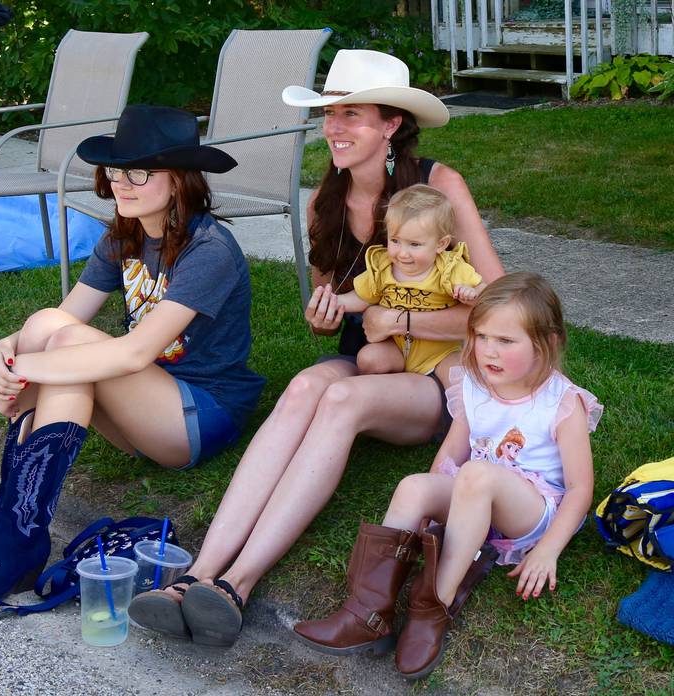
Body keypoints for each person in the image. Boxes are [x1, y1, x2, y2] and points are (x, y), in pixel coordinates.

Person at [129, 49, 504, 648]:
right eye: (330, 113)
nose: (333, 127)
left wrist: (394, 315)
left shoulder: (439, 189)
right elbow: (337, 306)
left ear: (391, 125)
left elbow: (502, 315)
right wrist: (324, 315)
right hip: (367, 358)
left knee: (341, 403)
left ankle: (238, 585)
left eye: (351, 114)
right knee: (305, 386)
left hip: (435, 377)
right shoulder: (324, 199)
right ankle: (199, 575)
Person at [0, 104, 265, 601]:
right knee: (47, 325)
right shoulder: (124, 235)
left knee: (64, 346)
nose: (122, 183)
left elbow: (133, 354)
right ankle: (11, 522)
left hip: (198, 415)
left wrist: (26, 368)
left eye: (140, 172)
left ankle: (15, 532)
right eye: (117, 170)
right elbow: (63, 316)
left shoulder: (208, 248)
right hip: (141, 411)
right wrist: (3, 350)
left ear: (182, 179)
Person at [294, 272, 603, 680]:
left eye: (506, 341)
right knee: (414, 486)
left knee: (477, 474)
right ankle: (366, 611)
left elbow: (581, 489)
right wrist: (432, 504)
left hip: (528, 510)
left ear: (547, 343)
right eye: (481, 336)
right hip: (473, 492)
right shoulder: (473, 383)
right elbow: (450, 455)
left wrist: (549, 550)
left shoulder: (562, 402)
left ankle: (433, 605)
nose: (488, 351)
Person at [333, 184, 485, 376]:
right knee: (368, 358)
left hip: (440, 351)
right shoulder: (384, 266)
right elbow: (363, 296)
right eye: (395, 241)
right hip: (396, 346)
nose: (403, 253)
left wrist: (472, 294)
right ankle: (390, 396)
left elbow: (485, 294)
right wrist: (336, 302)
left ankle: (461, 405)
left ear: (441, 244)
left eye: (414, 244)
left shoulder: (449, 268)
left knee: (457, 375)